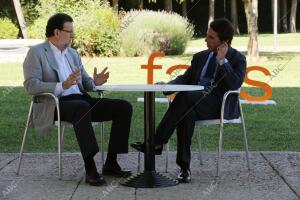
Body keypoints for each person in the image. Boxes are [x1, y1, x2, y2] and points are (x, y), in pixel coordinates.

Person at [23, 13, 132, 186]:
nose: (73, 35)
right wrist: (61, 85)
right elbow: (31, 85)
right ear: (57, 32)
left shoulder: (73, 54)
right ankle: (90, 169)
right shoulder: (36, 53)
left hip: (81, 100)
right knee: (81, 107)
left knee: (123, 107)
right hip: (56, 104)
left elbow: (85, 82)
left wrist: (94, 83)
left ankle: (111, 163)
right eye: (70, 31)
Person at [131, 18, 246, 183]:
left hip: (218, 105)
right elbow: (186, 78)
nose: (206, 40)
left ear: (224, 42)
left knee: (184, 98)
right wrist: (166, 86)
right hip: (194, 103)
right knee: (186, 113)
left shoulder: (237, 59)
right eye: (207, 36)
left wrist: (222, 61)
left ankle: (157, 141)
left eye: (211, 37)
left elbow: (235, 83)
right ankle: (184, 168)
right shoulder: (200, 57)